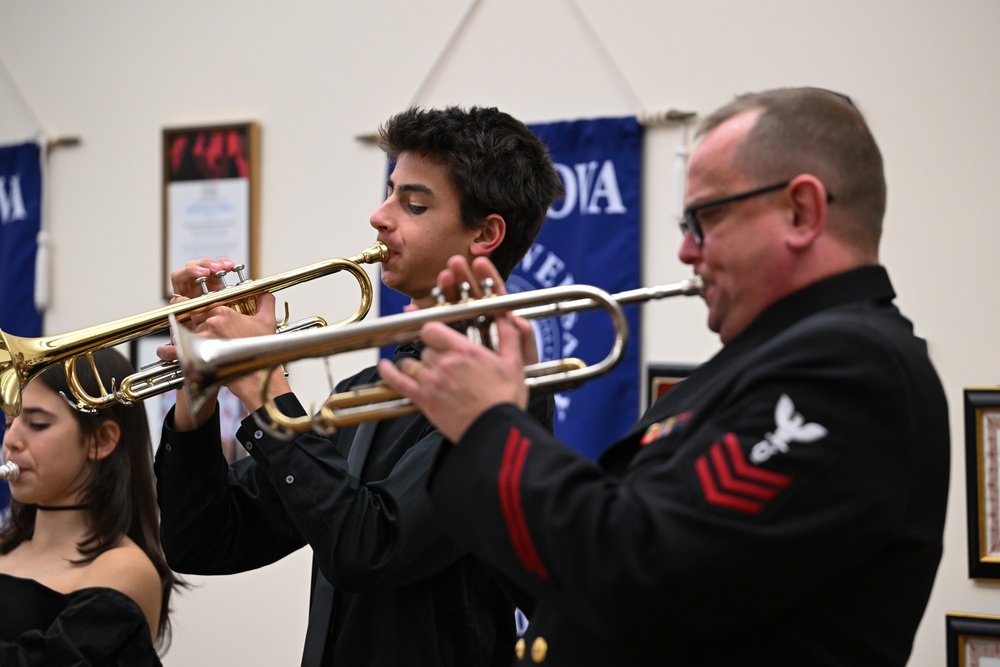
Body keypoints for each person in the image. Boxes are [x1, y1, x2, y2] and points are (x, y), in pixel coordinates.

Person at [378, 87, 950, 666]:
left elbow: (635, 571)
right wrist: (495, 419)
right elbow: (570, 592)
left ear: (801, 211)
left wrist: (491, 426)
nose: (684, 251)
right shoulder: (766, 363)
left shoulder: (851, 370)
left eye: (705, 218)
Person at [154, 106, 564, 666]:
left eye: (414, 204)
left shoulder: (507, 397)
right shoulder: (363, 388)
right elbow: (202, 540)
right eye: (389, 192)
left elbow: (370, 548)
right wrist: (201, 389)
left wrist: (266, 384)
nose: (379, 215)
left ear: (486, 234)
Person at [0, 347, 183, 665]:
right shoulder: (5, 544)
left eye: (38, 424)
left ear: (101, 440)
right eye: (9, 422)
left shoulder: (125, 568)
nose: (10, 441)